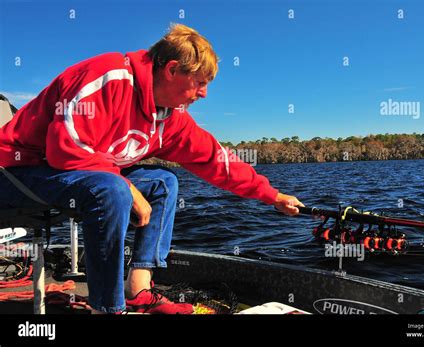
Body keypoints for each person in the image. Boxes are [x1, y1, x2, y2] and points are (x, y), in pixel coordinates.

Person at [0, 24, 304, 314]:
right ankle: (106, 307)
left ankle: (139, 289)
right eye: (200, 82)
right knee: (113, 189)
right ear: (172, 70)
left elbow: (215, 159)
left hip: (75, 178)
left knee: (163, 183)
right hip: (17, 173)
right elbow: (64, 150)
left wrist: (272, 195)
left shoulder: (170, 118)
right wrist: (128, 188)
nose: (204, 93)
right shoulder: (108, 78)